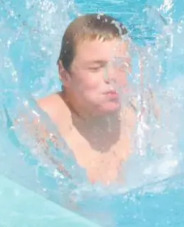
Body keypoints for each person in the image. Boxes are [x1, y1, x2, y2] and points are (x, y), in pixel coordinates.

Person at [29, 14, 139, 185]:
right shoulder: (41, 122)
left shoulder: (142, 113)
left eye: (121, 66)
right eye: (96, 68)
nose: (111, 77)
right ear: (64, 74)